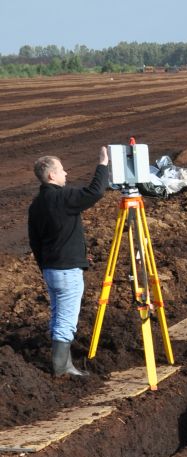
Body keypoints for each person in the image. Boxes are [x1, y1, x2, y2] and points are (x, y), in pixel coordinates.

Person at [28, 147, 110, 377]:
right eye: (62, 170)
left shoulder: (36, 204)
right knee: (66, 319)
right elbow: (95, 192)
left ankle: (64, 364)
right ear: (52, 176)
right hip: (66, 272)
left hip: (51, 270)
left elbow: (35, 241)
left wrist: (45, 266)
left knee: (57, 314)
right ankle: (62, 368)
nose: (66, 174)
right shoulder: (62, 197)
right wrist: (102, 164)